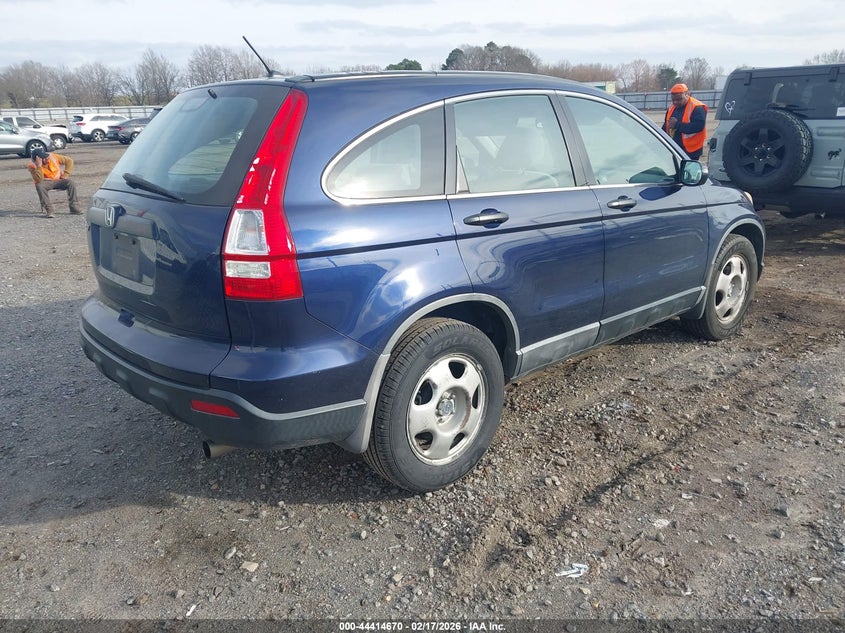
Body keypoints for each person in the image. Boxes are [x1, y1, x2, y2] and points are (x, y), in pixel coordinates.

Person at [26, 147, 83, 218]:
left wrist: (65, 175)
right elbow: (39, 179)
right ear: (37, 159)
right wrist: (39, 166)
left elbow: (69, 161)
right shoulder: (32, 166)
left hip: (59, 180)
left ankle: (74, 207)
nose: (47, 158)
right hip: (46, 183)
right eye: (43, 158)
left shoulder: (52, 157)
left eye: (46, 156)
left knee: (70, 182)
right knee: (39, 185)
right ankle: (49, 210)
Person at [663, 83, 709, 160]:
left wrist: (677, 125)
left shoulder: (697, 107)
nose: (675, 102)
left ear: (687, 94)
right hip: (675, 148)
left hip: (691, 150)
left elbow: (698, 126)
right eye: (673, 100)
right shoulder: (671, 108)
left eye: (679, 99)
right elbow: (666, 126)